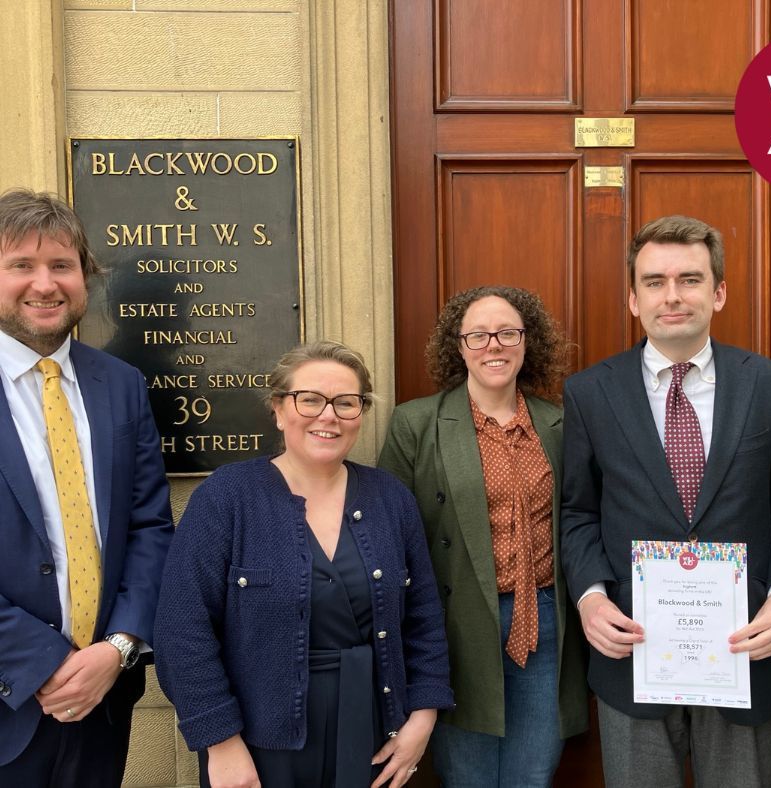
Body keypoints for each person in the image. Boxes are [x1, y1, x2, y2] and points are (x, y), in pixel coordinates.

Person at [560, 215, 771, 787]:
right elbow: (578, 512)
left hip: (743, 651)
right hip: (635, 652)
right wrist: (590, 599)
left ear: (719, 291)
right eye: (653, 281)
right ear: (632, 298)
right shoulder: (589, 392)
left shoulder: (769, 384)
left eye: (690, 279)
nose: (671, 296)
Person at [154, 340, 453, 788]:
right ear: (278, 409)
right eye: (309, 399)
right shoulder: (227, 498)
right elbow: (182, 629)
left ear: (360, 413)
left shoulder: (391, 499)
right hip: (257, 742)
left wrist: (422, 719)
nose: (327, 415)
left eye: (345, 403)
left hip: (371, 729)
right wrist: (220, 742)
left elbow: (424, 618)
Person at [378, 286, 589, 787]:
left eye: (507, 333)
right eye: (478, 335)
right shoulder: (417, 422)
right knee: (466, 775)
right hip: (457, 624)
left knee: (533, 774)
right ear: (458, 345)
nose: (493, 345)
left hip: (545, 621)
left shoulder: (560, 423)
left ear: (526, 341)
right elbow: (392, 535)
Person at [0, 187, 174, 786]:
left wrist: (119, 647)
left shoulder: (121, 384)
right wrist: (42, 661)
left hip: (104, 699)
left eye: (61, 265)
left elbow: (150, 524)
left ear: (85, 277)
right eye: (21, 264)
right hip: (9, 696)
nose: (44, 284)